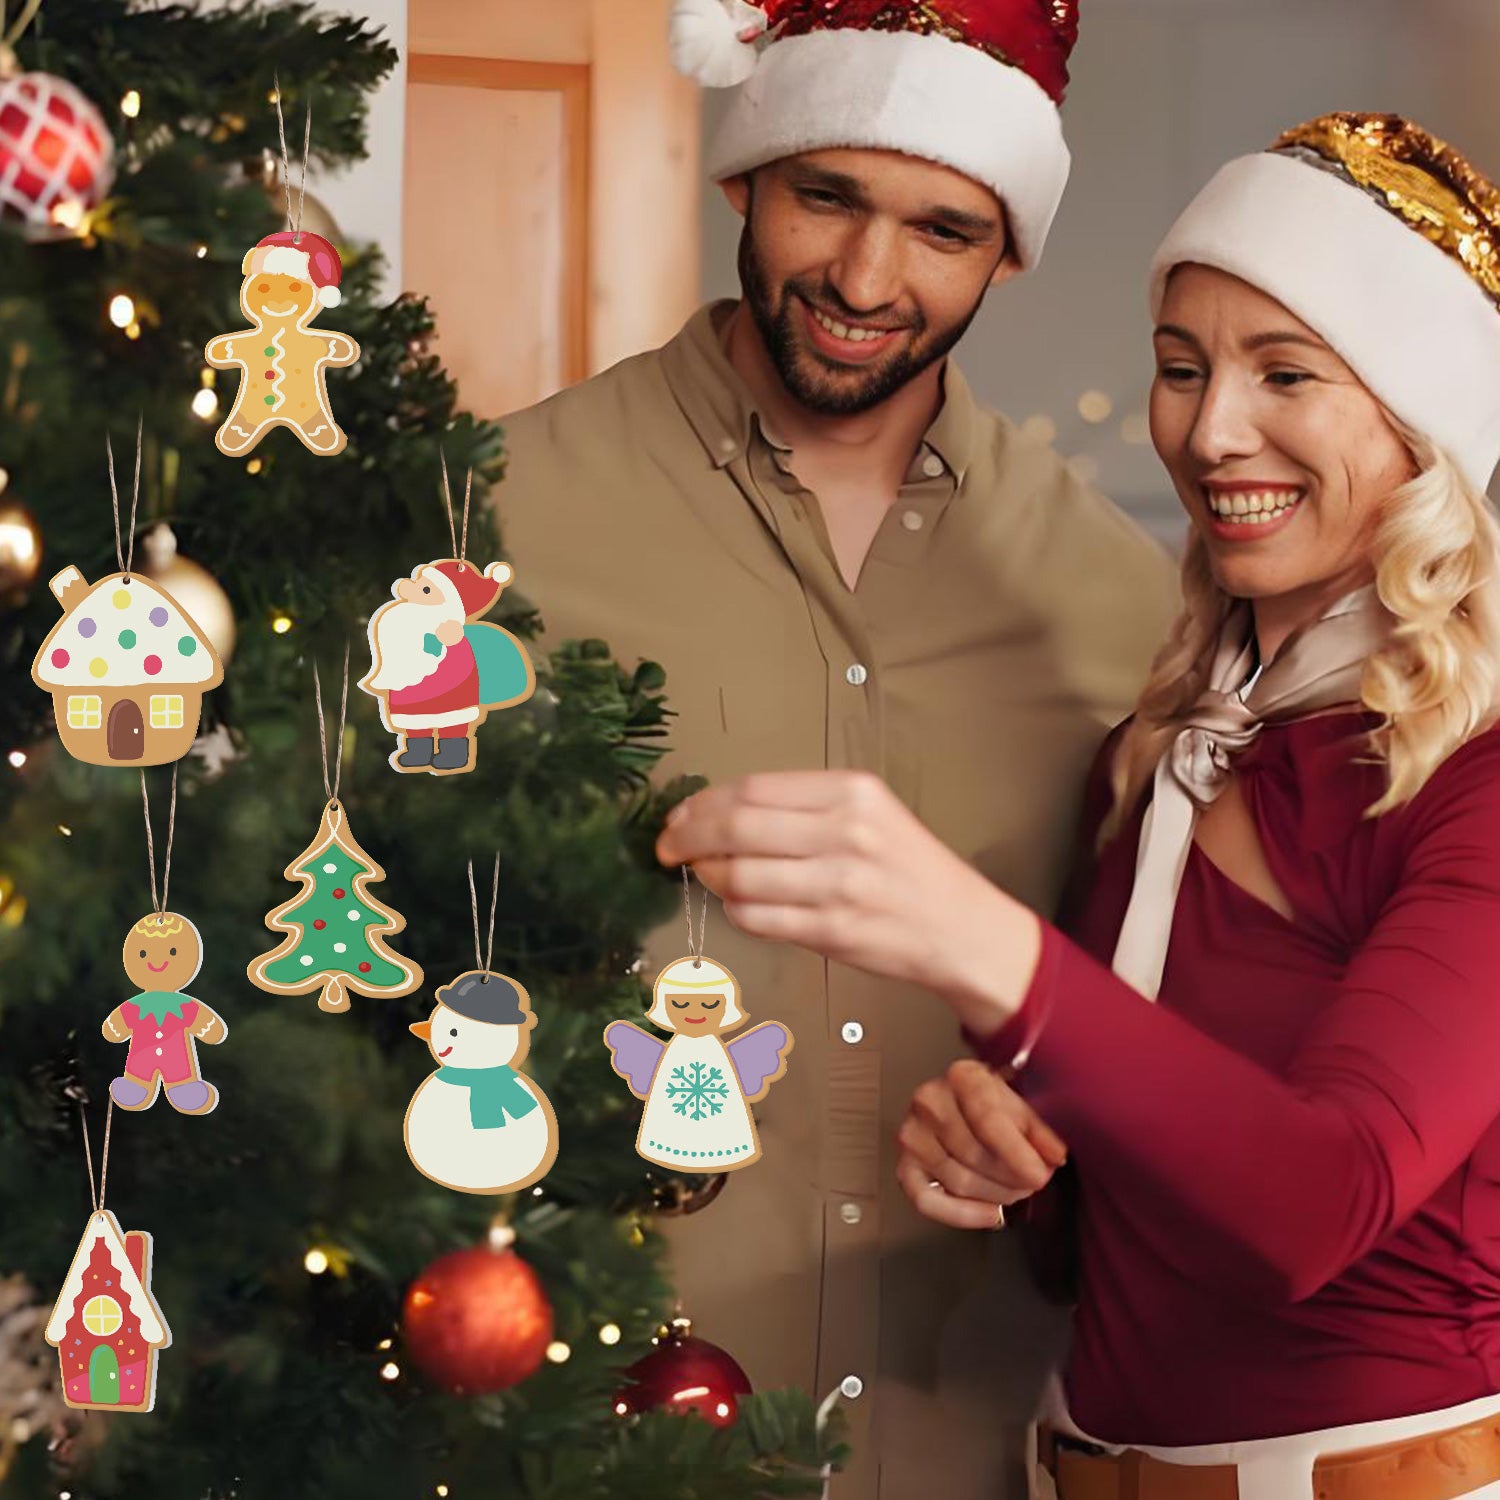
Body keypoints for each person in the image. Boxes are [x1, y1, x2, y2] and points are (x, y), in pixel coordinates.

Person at [656, 111, 1500, 1500]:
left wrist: (979, 945)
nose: (1209, 428)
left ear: (1420, 426)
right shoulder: (1162, 756)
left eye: (1285, 373)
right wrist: (1018, 1164)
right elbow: (1127, 1231)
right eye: (1181, 368)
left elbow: (1316, 1204)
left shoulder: (1472, 778)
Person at [496, 1, 1177, 1493]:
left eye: (942, 229)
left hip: (978, 1434)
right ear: (744, 177)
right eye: (827, 198)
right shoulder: (493, 524)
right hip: (580, 1423)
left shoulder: (1122, 607)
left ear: (1006, 249)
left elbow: (1169, 1030)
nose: (869, 279)